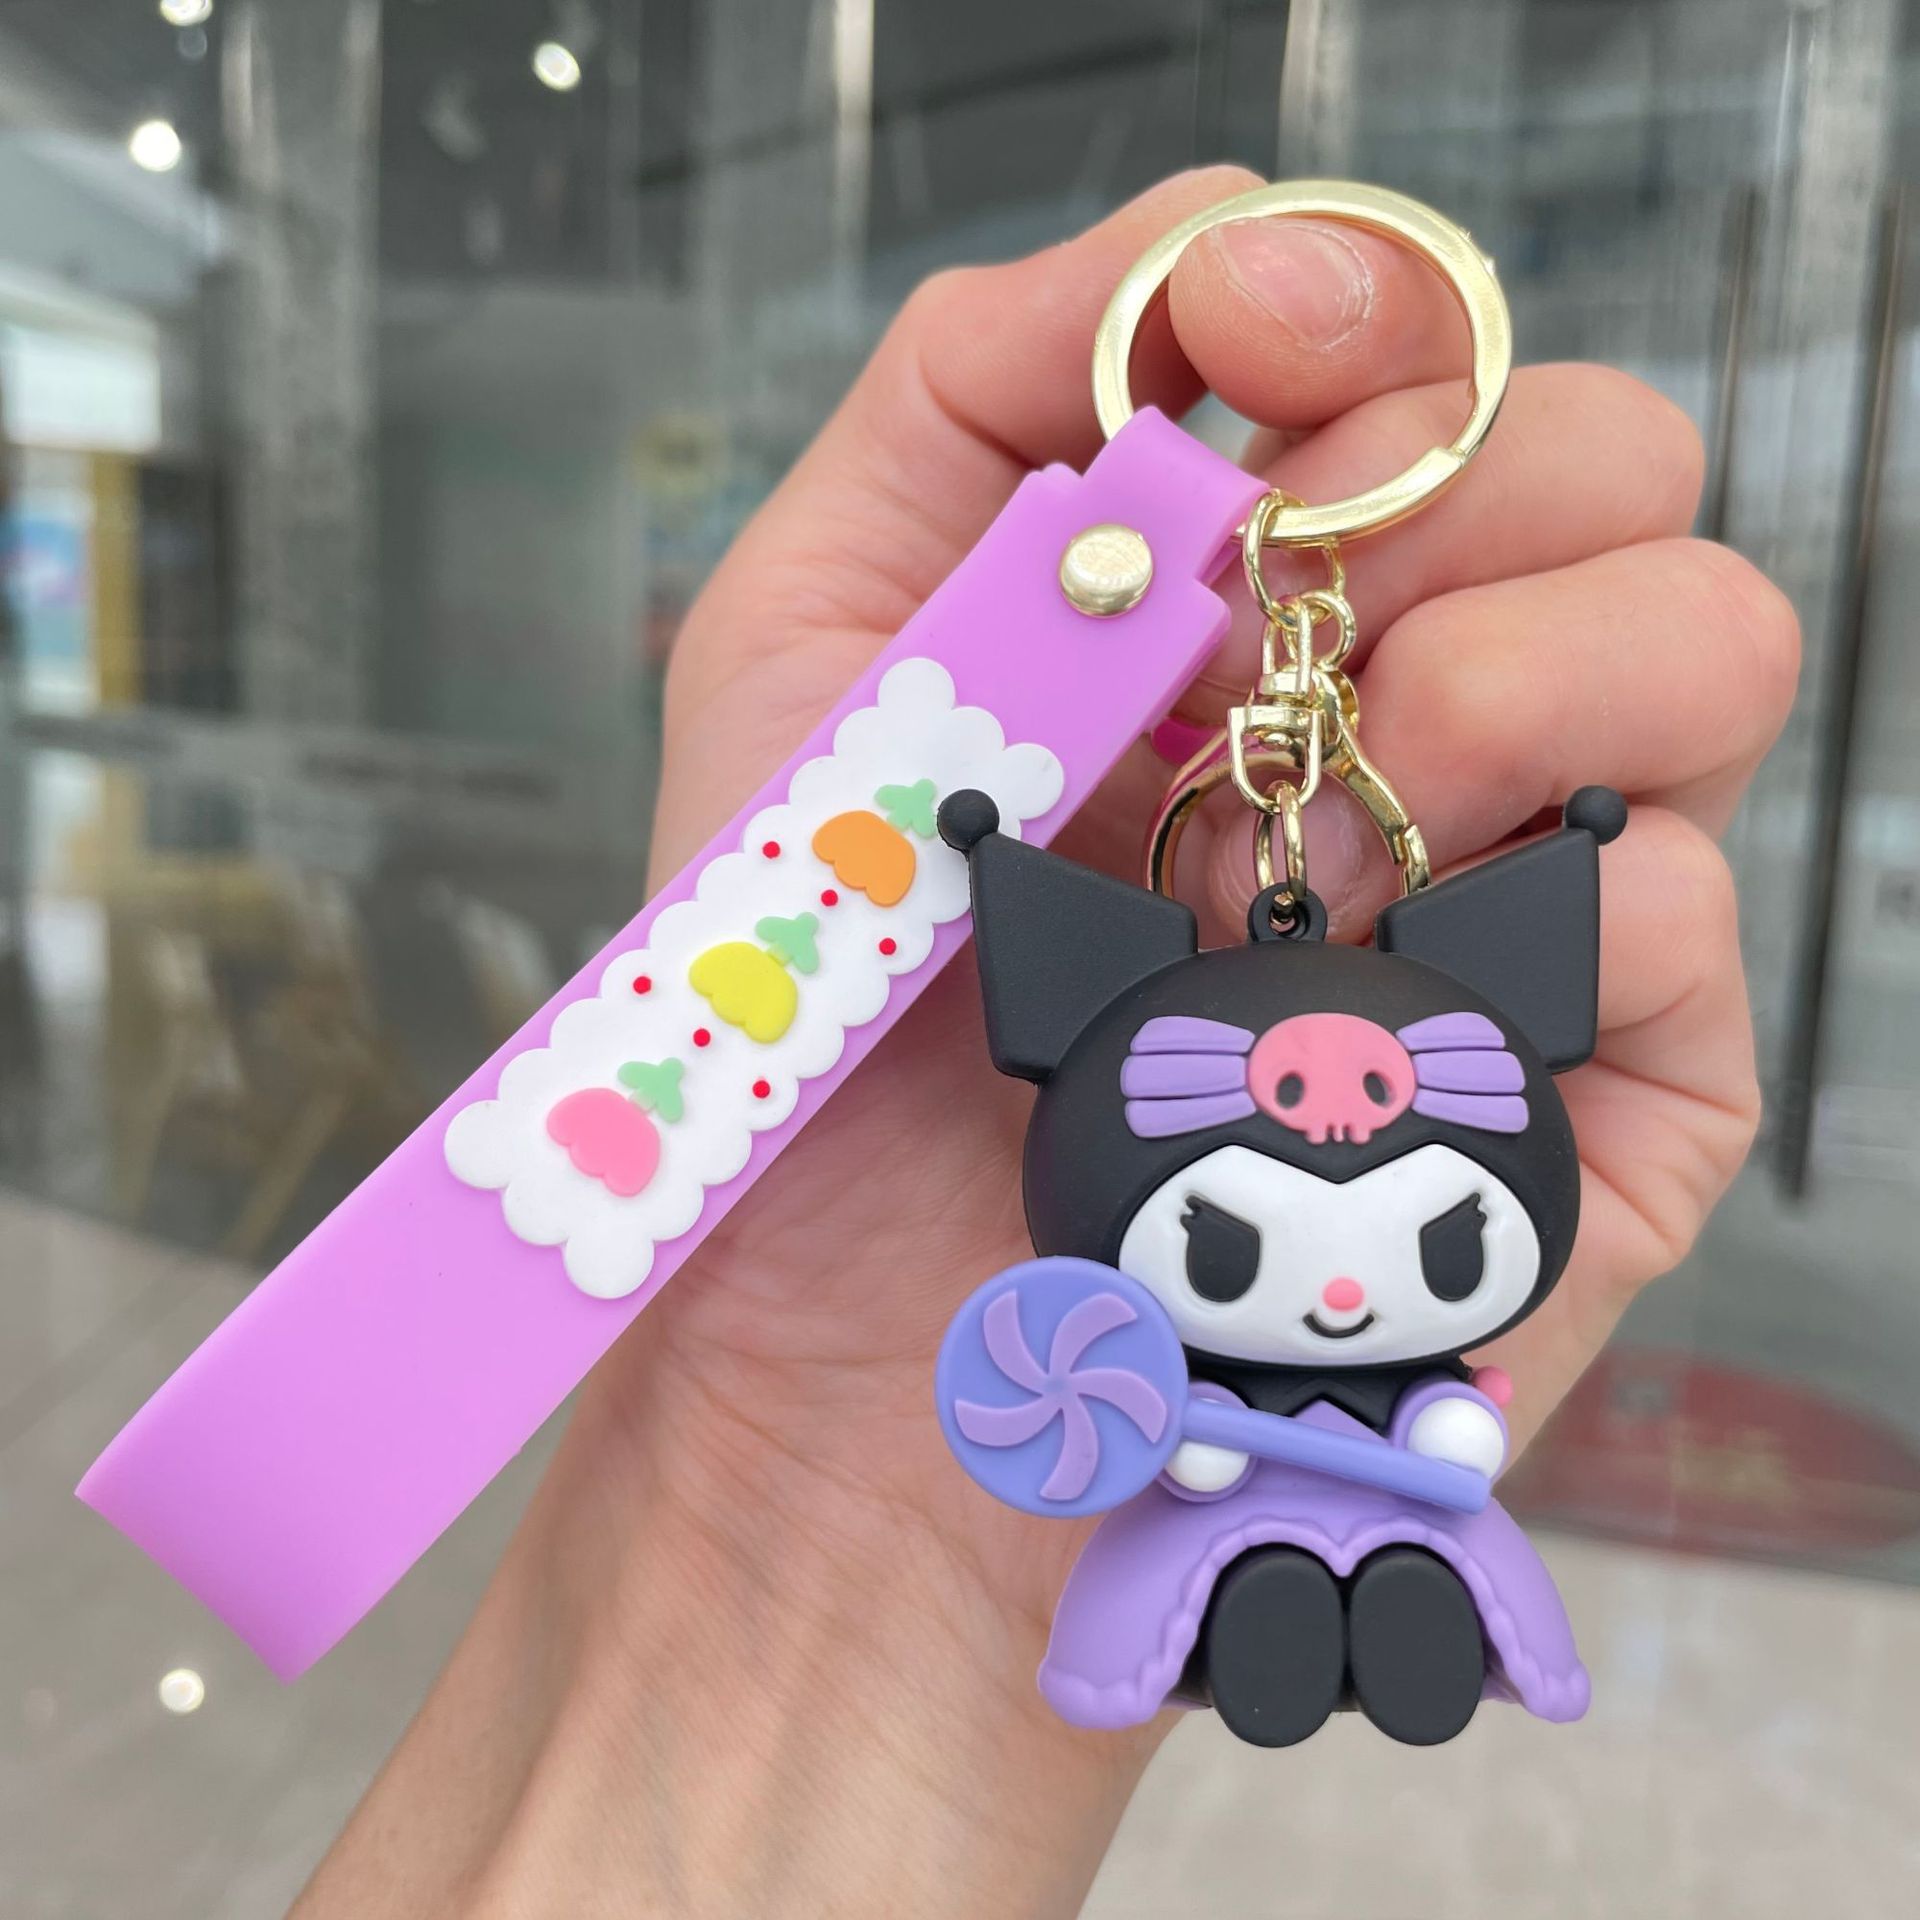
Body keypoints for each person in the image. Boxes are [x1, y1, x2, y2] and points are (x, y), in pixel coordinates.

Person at [293, 166, 1797, 1917]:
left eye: (1442, 1243)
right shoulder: (1080, 1096)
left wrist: (1431, 1432)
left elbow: (1447, 1392)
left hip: (1353, 1494)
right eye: (1224, 1243)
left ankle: (1396, 1622)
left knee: (1405, 1589)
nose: (1333, 1286)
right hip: (1205, 1475)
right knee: (1237, 1587)